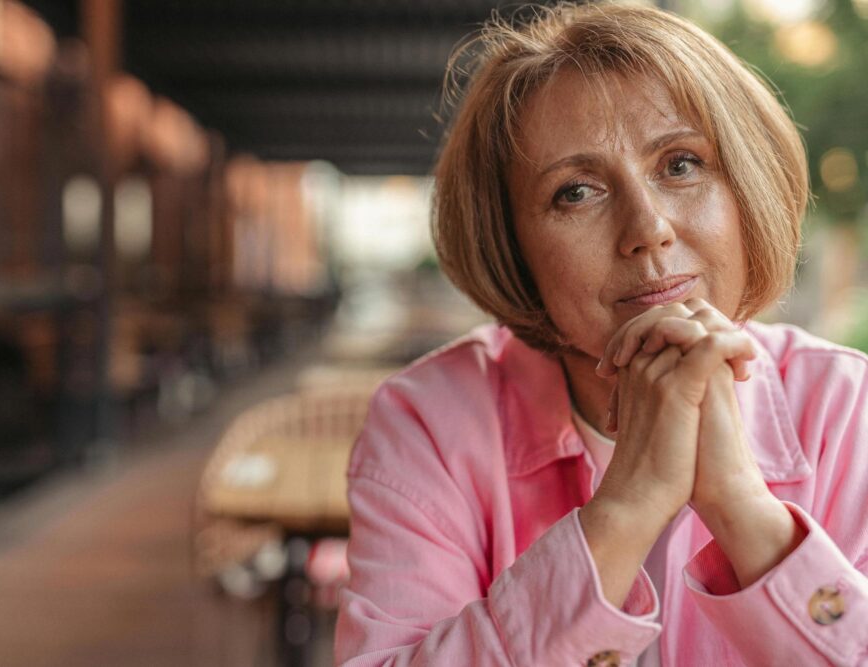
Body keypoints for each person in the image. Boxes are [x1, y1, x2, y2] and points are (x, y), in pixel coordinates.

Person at [333, 3, 868, 666]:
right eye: (577, 191)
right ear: (511, 242)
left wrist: (742, 509)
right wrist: (627, 508)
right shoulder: (429, 423)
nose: (648, 228)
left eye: (680, 164)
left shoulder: (850, 406)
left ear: (744, 188)